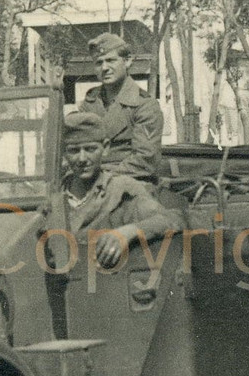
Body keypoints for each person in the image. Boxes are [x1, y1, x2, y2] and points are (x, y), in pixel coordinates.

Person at [62, 111, 182, 269]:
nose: (82, 159)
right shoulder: (54, 193)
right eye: (74, 150)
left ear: (105, 148)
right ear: (64, 152)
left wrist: (128, 232)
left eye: (90, 149)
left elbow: (172, 218)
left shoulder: (120, 188)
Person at [77, 32, 163, 183]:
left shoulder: (145, 106)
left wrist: (102, 177)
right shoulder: (90, 102)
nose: (104, 68)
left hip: (130, 183)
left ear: (128, 61)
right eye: (99, 62)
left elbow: (145, 160)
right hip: (89, 182)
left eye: (111, 60)